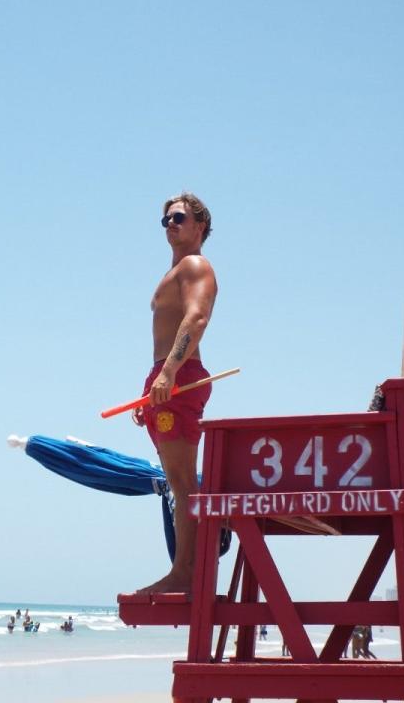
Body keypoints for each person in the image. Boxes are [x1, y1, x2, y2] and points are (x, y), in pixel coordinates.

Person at [132, 192, 217, 594]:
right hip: (166, 380)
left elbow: (196, 318)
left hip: (179, 378)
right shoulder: (175, 271)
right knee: (176, 478)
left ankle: (186, 573)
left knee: (182, 480)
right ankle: (187, 569)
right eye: (165, 219)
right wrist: (150, 388)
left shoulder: (196, 266)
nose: (170, 224)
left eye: (179, 218)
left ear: (200, 226)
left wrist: (167, 374)